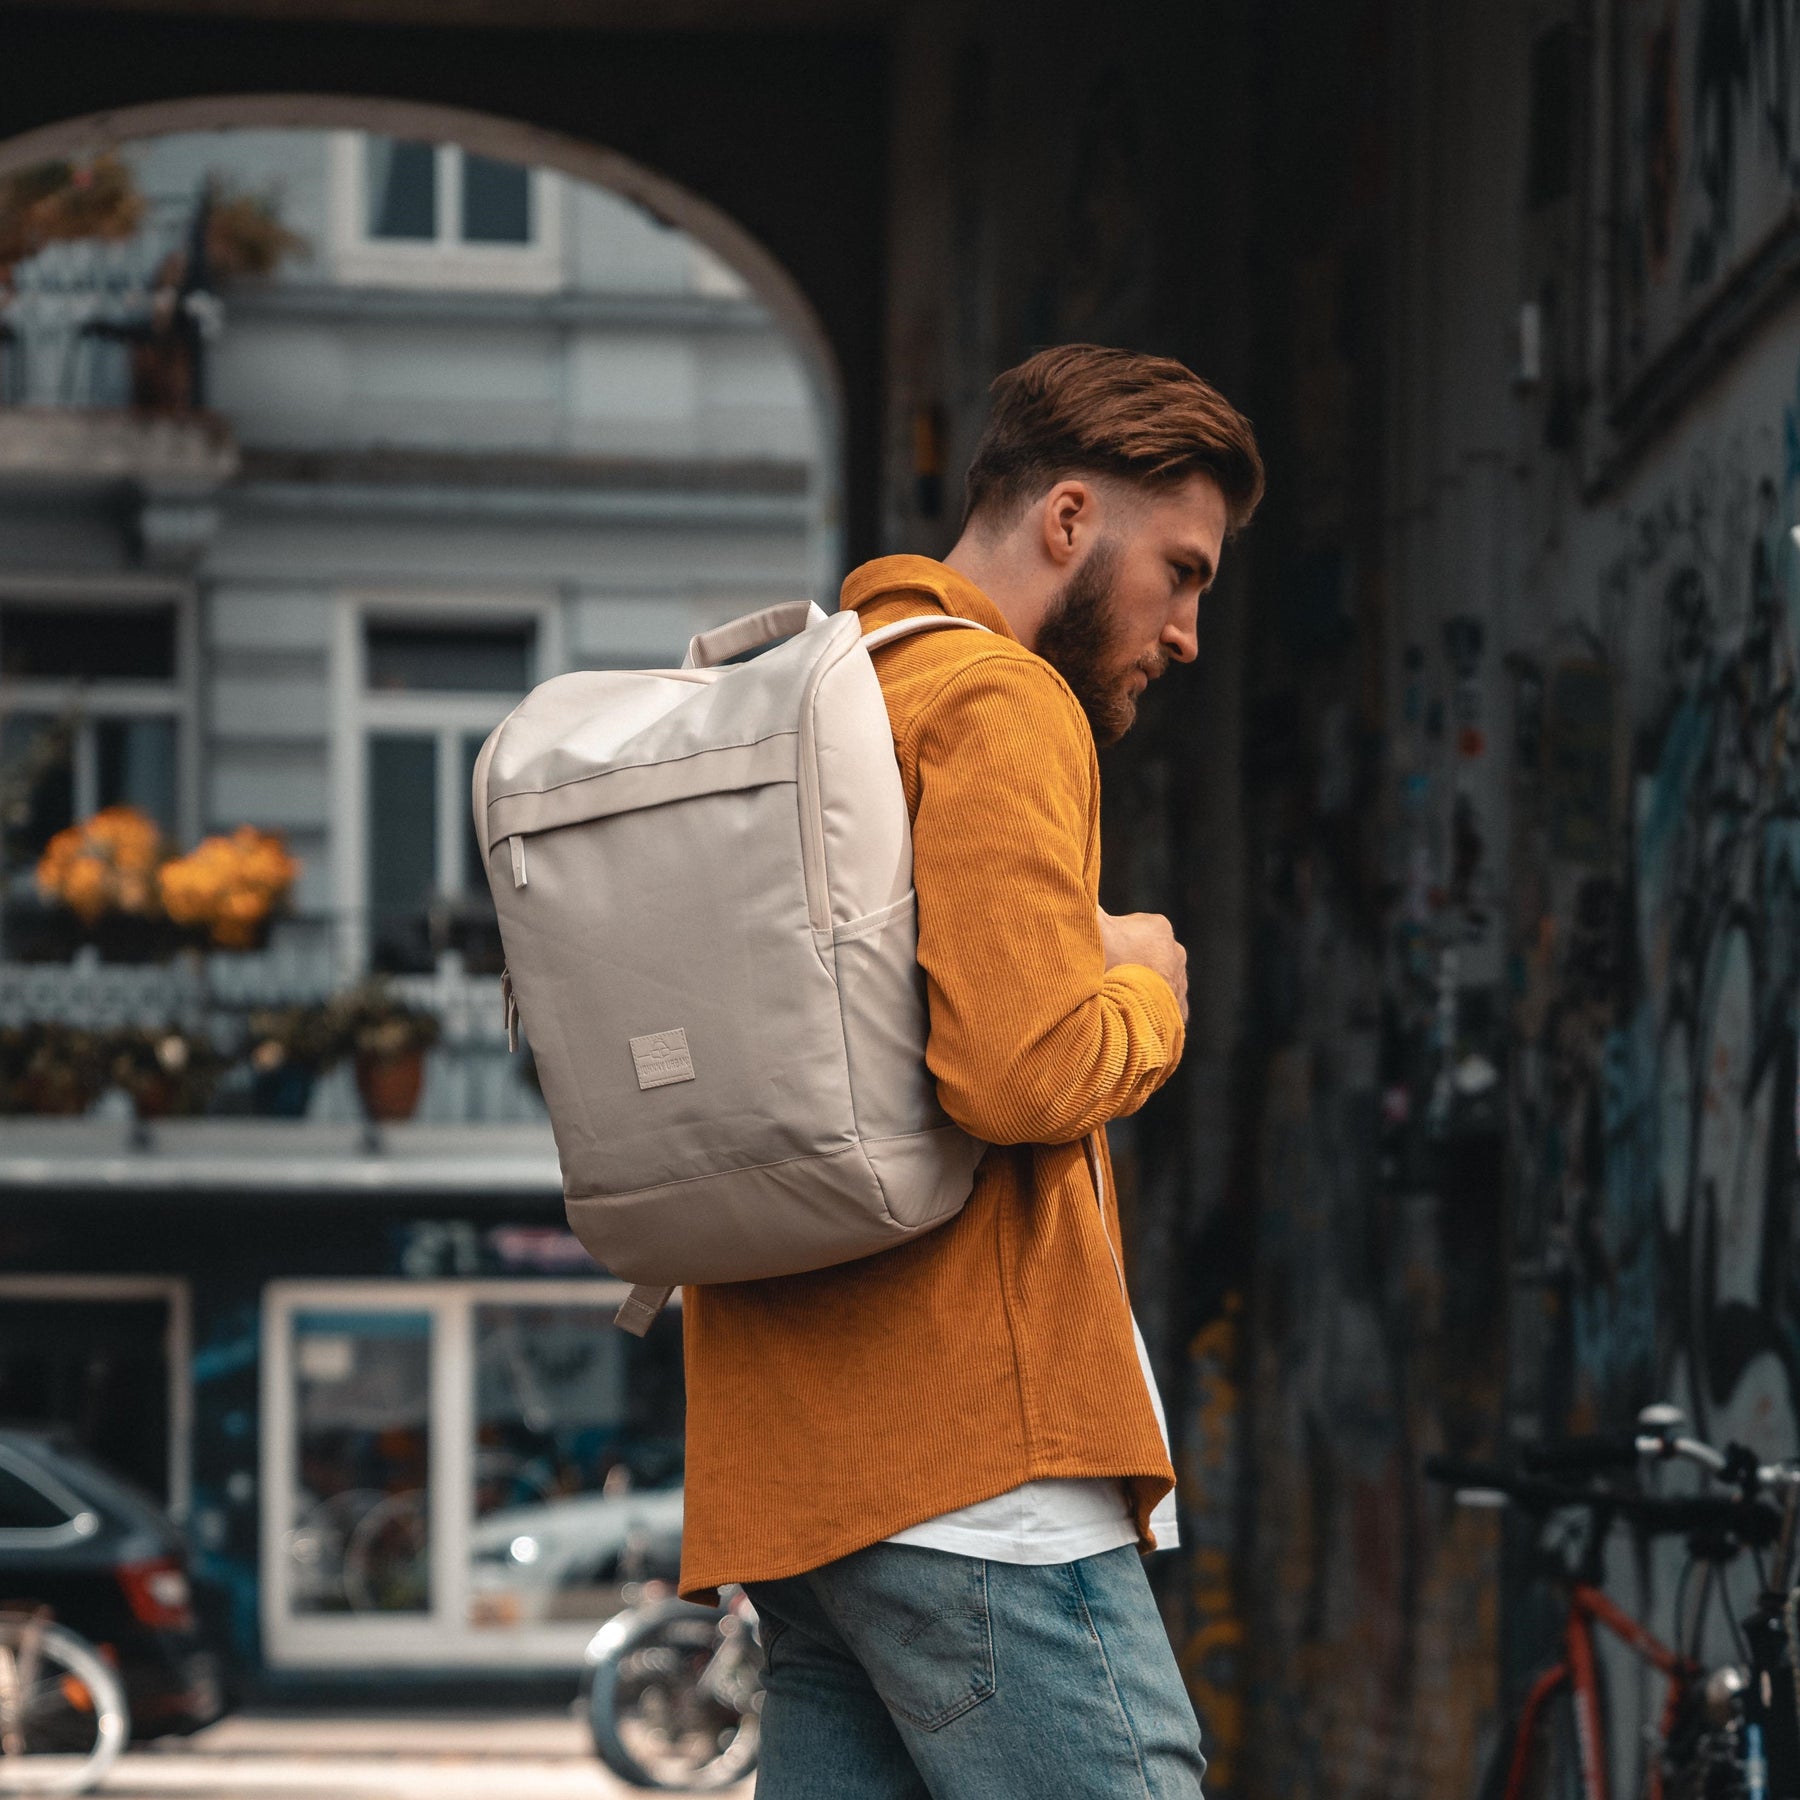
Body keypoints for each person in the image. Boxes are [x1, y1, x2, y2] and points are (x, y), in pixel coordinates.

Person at [680, 344, 1263, 1799]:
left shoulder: (805, 687)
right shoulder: (999, 701)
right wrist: (1143, 987)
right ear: (1069, 519)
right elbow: (1013, 1072)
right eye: (1180, 572)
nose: (1188, 631)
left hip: (797, 1476)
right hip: (977, 1475)